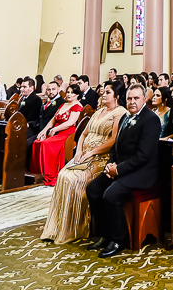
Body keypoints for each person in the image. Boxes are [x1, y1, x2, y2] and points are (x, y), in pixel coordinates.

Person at [41, 85, 126, 243]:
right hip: (84, 155)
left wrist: (92, 152)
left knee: (74, 179)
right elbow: (84, 133)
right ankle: (57, 227)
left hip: (101, 157)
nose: (103, 95)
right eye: (103, 92)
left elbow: (113, 139)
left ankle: (74, 229)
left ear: (117, 96)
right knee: (63, 175)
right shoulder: (99, 111)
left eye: (108, 92)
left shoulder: (120, 113)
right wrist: (79, 151)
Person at [85, 85, 161, 258]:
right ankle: (106, 234)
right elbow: (115, 148)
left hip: (142, 172)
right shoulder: (125, 117)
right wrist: (110, 166)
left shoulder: (151, 120)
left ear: (144, 99)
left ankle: (119, 239)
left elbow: (143, 155)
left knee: (111, 194)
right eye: (129, 98)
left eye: (136, 98)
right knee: (93, 189)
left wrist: (118, 170)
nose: (132, 102)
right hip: (122, 168)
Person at [32, 85, 83, 185]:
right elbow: (53, 119)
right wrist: (44, 131)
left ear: (77, 95)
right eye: (68, 92)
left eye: (72, 93)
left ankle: (49, 173)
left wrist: (55, 129)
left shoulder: (77, 106)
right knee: (37, 142)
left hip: (67, 133)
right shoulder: (63, 104)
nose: (69, 94)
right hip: (55, 130)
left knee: (46, 144)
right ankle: (37, 174)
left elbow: (70, 123)